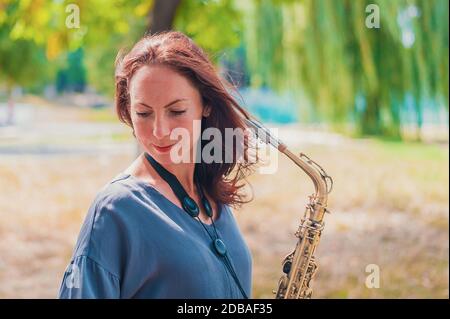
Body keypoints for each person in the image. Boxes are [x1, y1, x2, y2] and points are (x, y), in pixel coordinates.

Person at [58, 31, 257, 299]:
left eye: (176, 111)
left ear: (206, 105)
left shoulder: (210, 194)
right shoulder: (115, 210)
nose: (160, 131)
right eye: (143, 113)